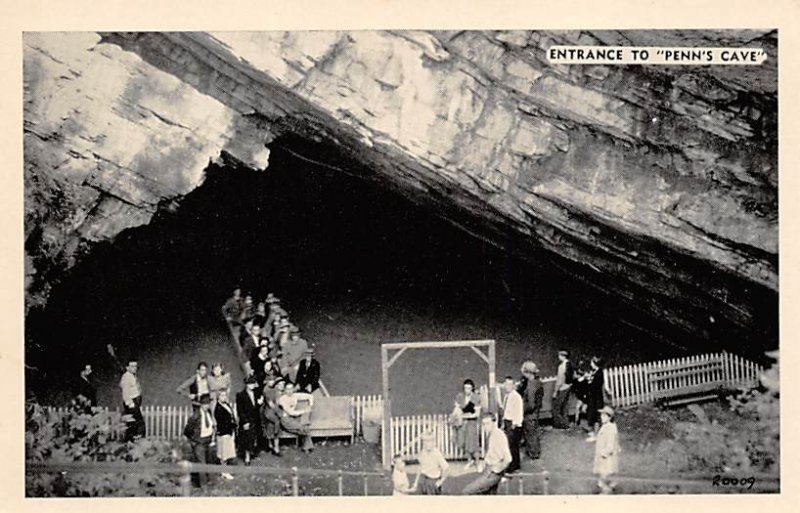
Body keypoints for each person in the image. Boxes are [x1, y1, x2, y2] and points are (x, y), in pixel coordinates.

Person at [462, 413, 511, 495]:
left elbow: (508, 459)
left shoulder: (499, 435)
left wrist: (497, 470)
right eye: (484, 424)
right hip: (488, 469)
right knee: (489, 496)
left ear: (494, 423)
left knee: (467, 491)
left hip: (492, 472)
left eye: (488, 423)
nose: (485, 427)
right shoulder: (491, 434)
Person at [183, 395, 217, 487]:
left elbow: (211, 426)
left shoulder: (209, 413)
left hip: (208, 441)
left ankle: (212, 482)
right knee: (202, 464)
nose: (207, 406)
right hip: (199, 442)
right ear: (201, 405)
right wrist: (193, 441)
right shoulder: (196, 415)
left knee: (210, 462)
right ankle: (204, 485)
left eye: (208, 404)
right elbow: (187, 430)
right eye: (205, 404)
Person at [278, 382, 315, 452]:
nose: (290, 391)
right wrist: (304, 411)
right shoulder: (282, 399)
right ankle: (307, 447)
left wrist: (310, 406)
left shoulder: (295, 395)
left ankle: (306, 447)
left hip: (294, 419)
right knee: (304, 429)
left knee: (305, 427)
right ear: (285, 390)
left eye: (291, 389)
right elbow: (290, 412)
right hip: (286, 420)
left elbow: (310, 396)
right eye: (288, 389)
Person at [453, 379, 481, 468]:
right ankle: (469, 460)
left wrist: (465, 416)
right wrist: (455, 417)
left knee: (473, 443)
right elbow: (457, 410)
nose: (467, 390)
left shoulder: (476, 398)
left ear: (472, 388)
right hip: (462, 424)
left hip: (472, 423)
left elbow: (477, 414)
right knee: (463, 442)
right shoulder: (460, 397)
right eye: (465, 388)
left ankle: (477, 462)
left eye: (469, 388)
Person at [236, 375, 263, 465]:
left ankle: (253, 452)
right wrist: (245, 422)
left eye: (253, 383)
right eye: (250, 383)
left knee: (255, 436)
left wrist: (259, 403)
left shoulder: (256, 393)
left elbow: (256, 406)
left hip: (255, 419)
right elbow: (240, 411)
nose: (252, 385)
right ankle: (247, 457)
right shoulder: (240, 395)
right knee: (247, 438)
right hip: (246, 420)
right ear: (246, 384)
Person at [593, 406, 621, 494]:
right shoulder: (605, 427)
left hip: (607, 458)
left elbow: (610, 444)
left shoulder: (611, 428)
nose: (601, 417)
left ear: (609, 417)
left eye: (604, 416)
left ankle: (607, 494)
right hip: (602, 457)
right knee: (602, 479)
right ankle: (606, 491)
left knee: (605, 478)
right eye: (601, 415)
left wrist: (604, 453)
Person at [520, 361, 544, 460]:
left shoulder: (531, 385)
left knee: (530, 433)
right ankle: (534, 451)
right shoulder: (538, 382)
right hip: (536, 412)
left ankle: (533, 453)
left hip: (530, 414)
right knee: (533, 432)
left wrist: (522, 410)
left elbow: (531, 404)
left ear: (528, 373)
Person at [413, 430, 449, 495]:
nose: (427, 444)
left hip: (433, 480)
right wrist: (416, 482)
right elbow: (420, 467)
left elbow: (446, 468)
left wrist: (440, 482)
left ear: (433, 442)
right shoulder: (423, 452)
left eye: (429, 441)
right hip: (423, 479)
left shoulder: (437, 454)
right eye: (425, 441)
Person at [500, 376, 523, 473]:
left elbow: (518, 411)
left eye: (510, 384)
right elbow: (506, 411)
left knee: (512, 445)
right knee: (509, 445)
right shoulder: (506, 396)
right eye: (506, 384)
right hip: (507, 422)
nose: (508, 386)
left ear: (513, 385)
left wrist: (514, 424)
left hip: (513, 423)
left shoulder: (516, 396)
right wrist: (503, 423)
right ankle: (514, 465)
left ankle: (513, 466)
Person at [119, 359, 145, 441]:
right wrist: (130, 404)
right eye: (132, 366)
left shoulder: (132, 375)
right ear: (127, 367)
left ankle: (131, 441)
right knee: (138, 423)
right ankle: (136, 440)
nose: (135, 368)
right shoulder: (126, 377)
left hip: (135, 402)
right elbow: (125, 391)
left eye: (135, 366)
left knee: (133, 424)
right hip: (131, 403)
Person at [213, 389, 236, 480]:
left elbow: (231, 417)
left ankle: (225, 470)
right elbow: (223, 422)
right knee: (224, 454)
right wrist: (231, 425)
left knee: (227, 452)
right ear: (218, 397)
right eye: (222, 395)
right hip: (223, 432)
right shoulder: (218, 408)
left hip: (229, 431)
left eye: (225, 395)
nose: (224, 397)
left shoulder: (226, 405)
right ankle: (224, 471)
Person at [584, 357, 606, 441]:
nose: (590, 364)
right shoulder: (595, 372)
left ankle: (596, 435)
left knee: (596, 415)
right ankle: (595, 432)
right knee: (593, 414)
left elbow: (595, 386)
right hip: (593, 398)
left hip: (596, 398)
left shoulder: (599, 373)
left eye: (592, 363)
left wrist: (589, 381)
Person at [552, 350, 575, 429]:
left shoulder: (561, 366)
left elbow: (560, 380)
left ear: (562, 356)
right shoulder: (570, 364)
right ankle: (566, 423)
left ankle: (559, 423)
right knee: (565, 406)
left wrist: (555, 391)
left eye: (559, 355)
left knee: (556, 406)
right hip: (569, 386)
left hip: (562, 388)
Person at [260, 385, 283, 456]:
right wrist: (279, 413)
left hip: (274, 413)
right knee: (273, 425)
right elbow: (271, 405)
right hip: (269, 412)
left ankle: (275, 447)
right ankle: (271, 446)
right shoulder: (268, 391)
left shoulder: (279, 393)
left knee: (274, 426)